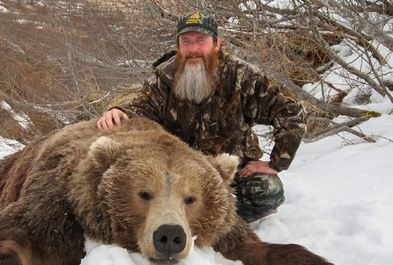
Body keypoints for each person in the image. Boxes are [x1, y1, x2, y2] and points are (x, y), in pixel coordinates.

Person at [97, 11, 307, 223]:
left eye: (201, 40)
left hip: (230, 173)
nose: (193, 49)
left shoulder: (243, 77)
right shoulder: (165, 77)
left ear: (216, 43)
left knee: (267, 192)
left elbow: (291, 110)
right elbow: (141, 110)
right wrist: (120, 110)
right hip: (177, 175)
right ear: (178, 46)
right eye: (186, 41)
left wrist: (276, 163)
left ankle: (218, 224)